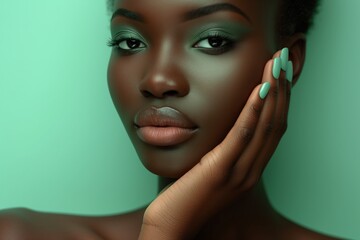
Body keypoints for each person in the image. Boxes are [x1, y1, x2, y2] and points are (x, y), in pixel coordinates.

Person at [0, 0, 344, 239]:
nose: (157, 80)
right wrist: (162, 232)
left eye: (213, 40)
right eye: (130, 42)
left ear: (290, 62)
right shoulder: (18, 234)